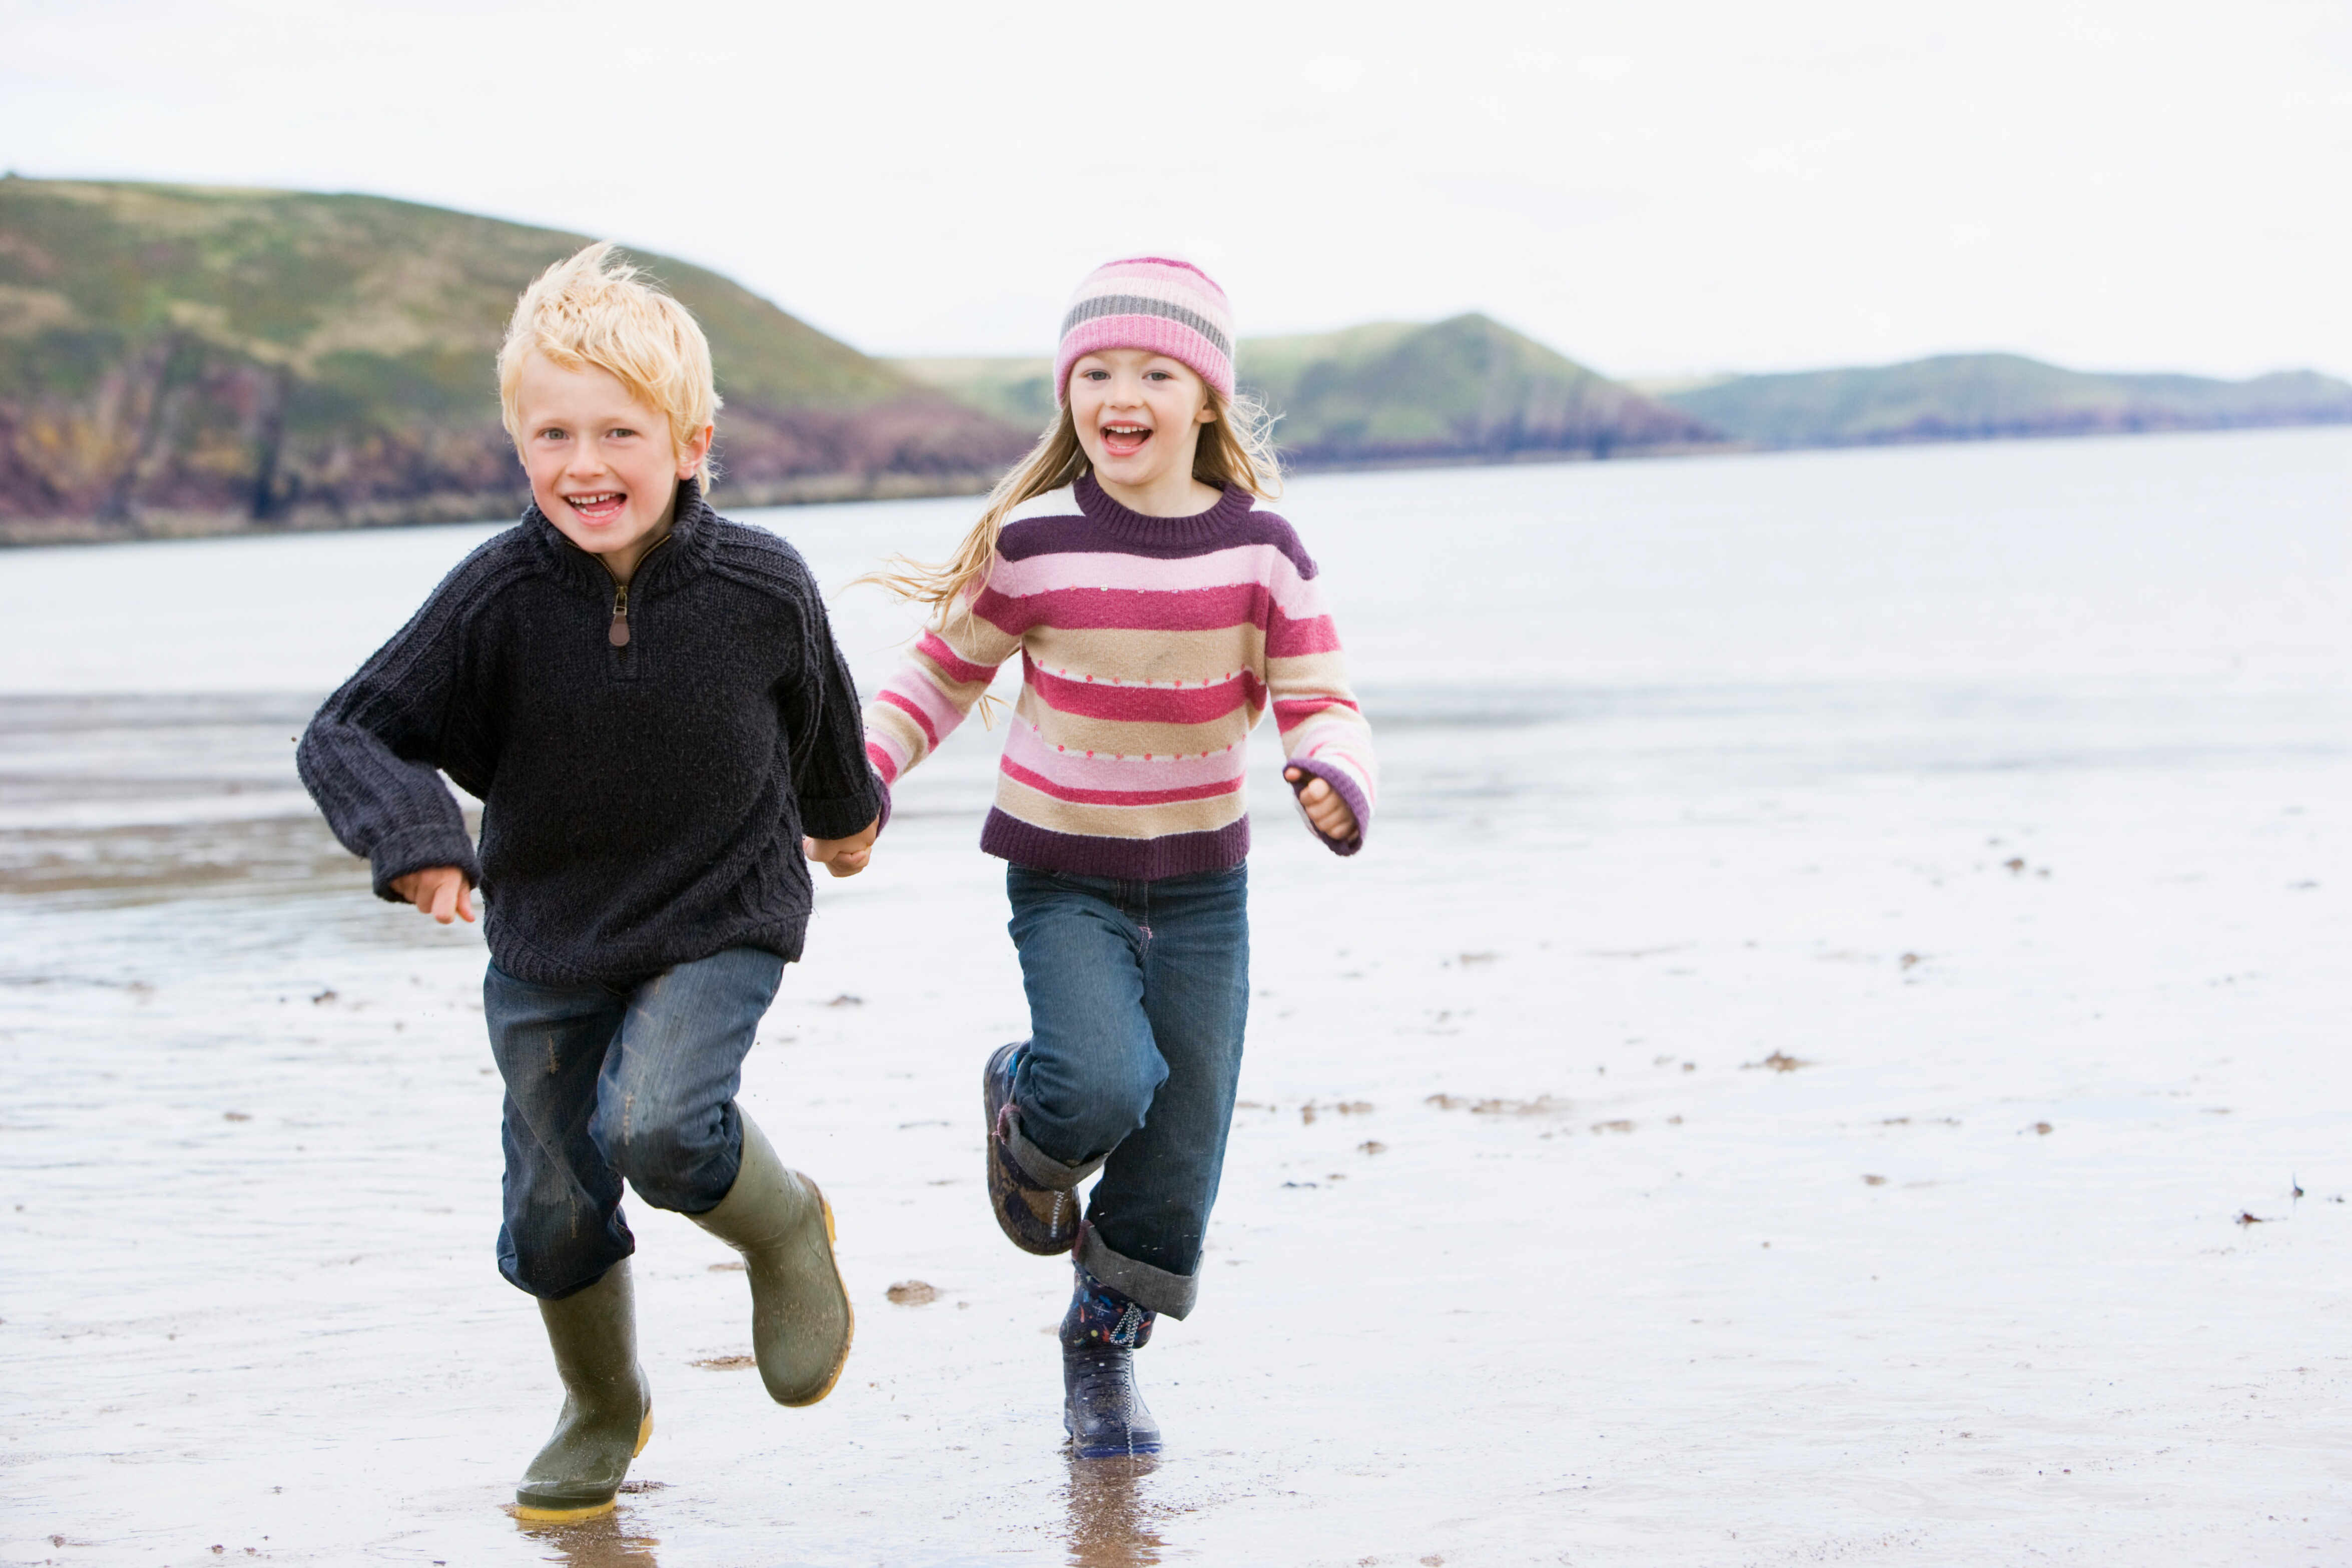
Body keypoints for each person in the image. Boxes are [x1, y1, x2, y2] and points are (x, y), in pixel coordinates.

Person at [295, 243, 884, 1520]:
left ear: (691, 439)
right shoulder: (499, 595)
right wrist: (419, 840)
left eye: (620, 430)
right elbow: (348, 730)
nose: (584, 463)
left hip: (721, 911)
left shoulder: (761, 583)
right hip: (549, 936)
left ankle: (783, 1227)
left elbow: (821, 714)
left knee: (662, 1124)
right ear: (519, 449)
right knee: (555, 1205)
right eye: (552, 433)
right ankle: (602, 1404)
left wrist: (846, 818)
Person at [855, 257, 1377, 1458]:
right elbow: (940, 673)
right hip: (1066, 874)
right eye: (1094, 371)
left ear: (1208, 400)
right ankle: (1024, 1121)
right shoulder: (1034, 541)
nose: (1119, 393)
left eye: (1153, 369)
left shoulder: (1264, 552)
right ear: (1067, 394)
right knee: (1098, 1084)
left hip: (1204, 890)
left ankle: (1098, 1347)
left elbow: (1323, 697)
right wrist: (865, 773)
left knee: (1180, 1142)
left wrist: (1333, 778)